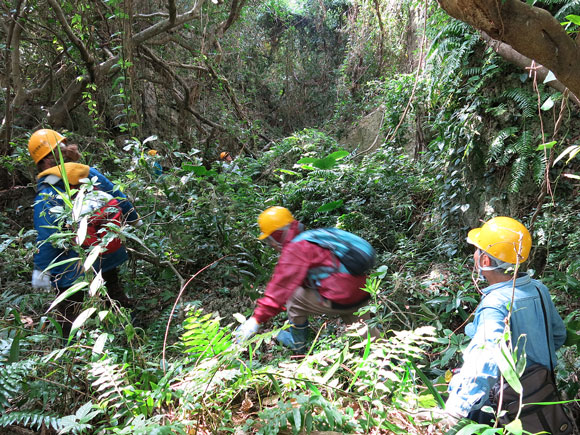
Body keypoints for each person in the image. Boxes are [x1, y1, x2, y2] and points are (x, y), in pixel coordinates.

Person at [443, 217, 566, 425]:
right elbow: (558, 335)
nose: (474, 255)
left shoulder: (495, 304)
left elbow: (486, 356)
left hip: (506, 407)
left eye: (477, 250)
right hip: (544, 393)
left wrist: (456, 408)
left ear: (485, 261)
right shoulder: (538, 289)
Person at [29, 129, 141, 336]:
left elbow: (46, 237)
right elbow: (117, 194)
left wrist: (41, 272)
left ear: (44, 163)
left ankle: (70, 351)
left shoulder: (47, 192)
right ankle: (134, 334)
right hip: (106, 251)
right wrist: (134, 218)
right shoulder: (88, 172)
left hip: (73, 264)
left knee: (69, 310)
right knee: (114, 294)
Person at [234, 206, 379, 353]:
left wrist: (255, 320)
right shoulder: (313, 237)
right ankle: (388, 360)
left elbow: (280, 289)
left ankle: (298, 346)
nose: (271, 245)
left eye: (270, 240)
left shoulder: (296, 248)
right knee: (366, 331)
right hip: (361, 290)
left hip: (339, 296)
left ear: (278, 235)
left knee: (293, 298)